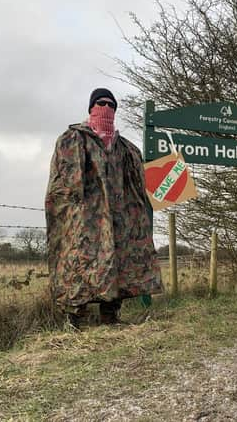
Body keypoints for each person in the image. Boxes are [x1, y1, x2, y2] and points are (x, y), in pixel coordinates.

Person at [45, 88, 163, 328]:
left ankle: (111, 316)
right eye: (100, 103)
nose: (106, 108)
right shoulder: (73, 139)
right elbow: (64, 183)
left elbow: (142, 183)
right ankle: (75, 318)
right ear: (91, 108)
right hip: (84, 220)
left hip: (119, 220)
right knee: (79, 263)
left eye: (111, 105)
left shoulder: (126, 148)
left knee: (117, 262)